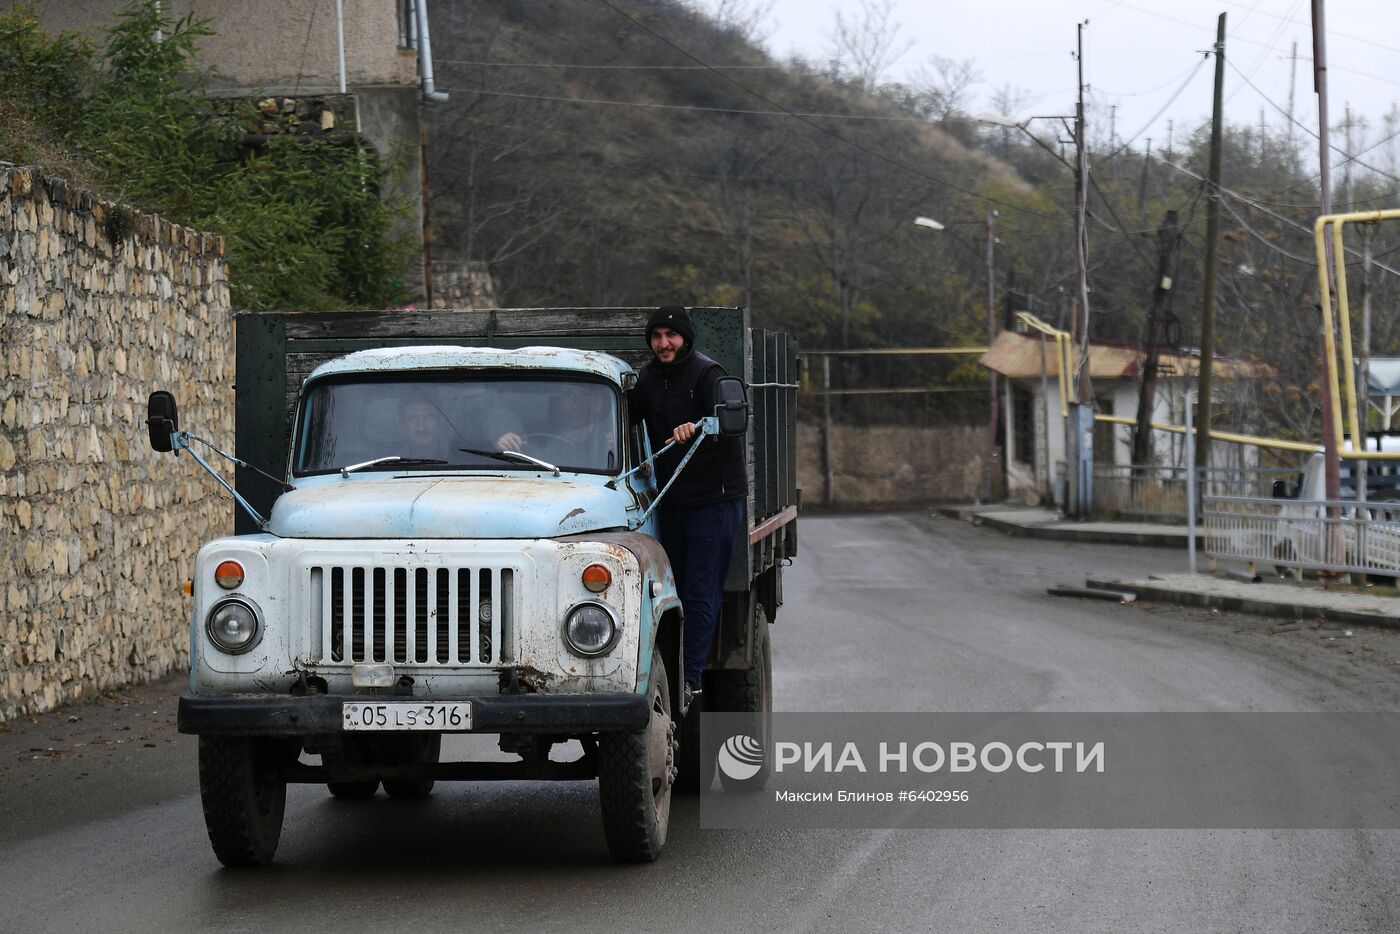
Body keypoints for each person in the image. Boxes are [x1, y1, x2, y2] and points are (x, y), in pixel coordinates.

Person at [631, 306, 746, 710]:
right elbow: (621, 424)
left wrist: (698, 425)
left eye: (671, 335)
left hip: (714, 500)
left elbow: (729, 422)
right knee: (670, 594)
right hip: (671, 500)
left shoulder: (707, 373)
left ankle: (689, 681)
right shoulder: (645, 379)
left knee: (700, 591)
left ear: (685, 338)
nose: (663, 343)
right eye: (657, 336)